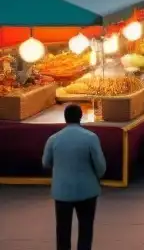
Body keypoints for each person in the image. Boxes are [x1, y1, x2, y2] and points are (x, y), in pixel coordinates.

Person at [42, 103, 106, 250]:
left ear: (65, 118)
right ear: (80, 117)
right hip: (88, 190)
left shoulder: (53, 139)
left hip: (62, 192)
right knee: (86, 228)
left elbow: (45, 162)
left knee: (63, 230)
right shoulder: (91, 138)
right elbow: (101, 166)